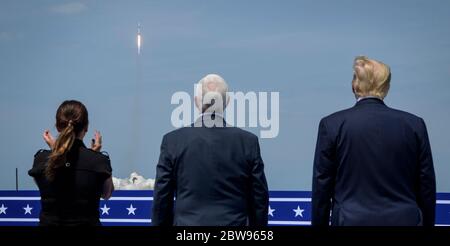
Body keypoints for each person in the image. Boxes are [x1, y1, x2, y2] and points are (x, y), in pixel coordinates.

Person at [311, 56, 436, 226]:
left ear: (354, 85)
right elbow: (426, 188)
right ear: (386, 87)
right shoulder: (414, 126)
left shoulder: (332, 125)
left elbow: (322, 189)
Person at [152, 74, 269, 226]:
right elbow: (259, 199)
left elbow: (162, 199)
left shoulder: (172, 141)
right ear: (226, 102)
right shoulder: (248, 142)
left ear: (196, 102)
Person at [28, 100, 114, 226]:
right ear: (86, 127)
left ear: (57, 126)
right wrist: (96, 157)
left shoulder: (41, 159)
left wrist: (55, 149)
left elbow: (44, 184)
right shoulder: (99, 161)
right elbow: (107, 194)